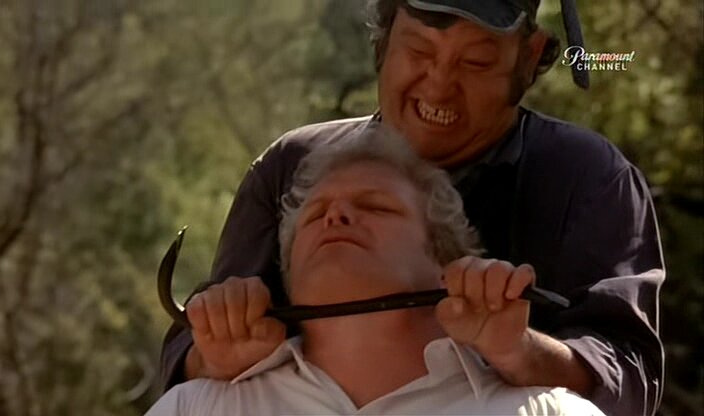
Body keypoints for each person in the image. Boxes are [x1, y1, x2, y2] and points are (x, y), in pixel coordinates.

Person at [160, 1, 665, 415]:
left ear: (530, 58)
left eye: (475, 61)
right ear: (382, 41)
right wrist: (212, 354)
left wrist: (518, 351)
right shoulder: (292, 166)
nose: (439, 84)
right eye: (419, 49)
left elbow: (629, 377)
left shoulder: (585, 178)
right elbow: (187, 352)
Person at [147, 130, 605, 415]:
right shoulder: (197, 408)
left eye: (376, 206)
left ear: (446, 264)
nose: (336, 215)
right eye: (315, 215)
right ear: (289, 276)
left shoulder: (546, 412)